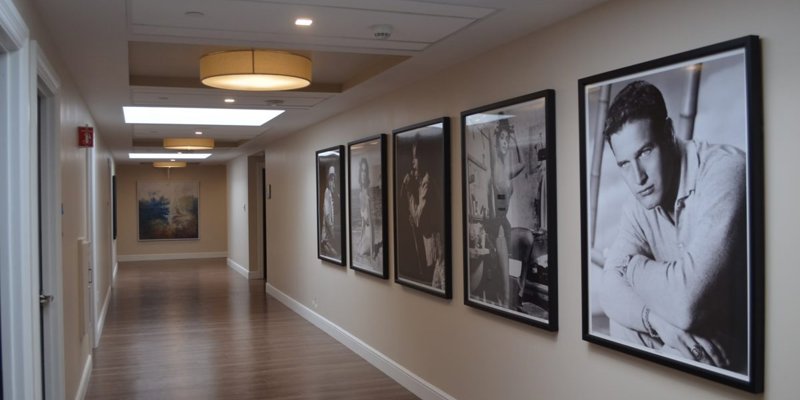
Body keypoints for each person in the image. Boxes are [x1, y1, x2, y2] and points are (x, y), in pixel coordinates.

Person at [597, 80, 747, 372]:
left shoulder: (723, 171)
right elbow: (608, 290)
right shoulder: (640, 203)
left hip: (740, 349)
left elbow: (685, 303)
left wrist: (632, 267)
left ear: (668, 134)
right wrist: (658, 322)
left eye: (644, 152)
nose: (637, 177)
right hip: (691, 338)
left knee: (681, 352)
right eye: (624, 163)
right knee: (625, 323)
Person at [488, 118, 526, 307]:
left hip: (505, 225)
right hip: (499, 226)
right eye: (501, 138)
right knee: (504, 285)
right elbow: (498, 186)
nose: (505, 142)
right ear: (496, 141)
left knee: (511, 277)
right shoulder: (496, 165)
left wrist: (515, 139)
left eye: (506, 139)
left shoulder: (505, 167)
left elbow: (523, 164)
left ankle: (514, 301)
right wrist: (496, 136)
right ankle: (505, 307)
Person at [400, 134, 445, 289]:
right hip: (437, 249)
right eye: (412, 158)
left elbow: (418, 218)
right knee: (437, 286)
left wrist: (409, 192)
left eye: (416, 158)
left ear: (423, 159)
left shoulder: (426, 182)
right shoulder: (422, 182)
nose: (412, 163)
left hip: (439, 247)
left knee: (440, 284)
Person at [356, 157, 376, 265]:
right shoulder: (360, 193)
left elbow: (370, 222)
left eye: (365, 171)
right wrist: (360, 237)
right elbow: (363, 221)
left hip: (370, 234)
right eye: (361, 171)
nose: (363, 174)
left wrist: (373, 250)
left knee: (361, 252)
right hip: (365, 232)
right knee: (359, 250)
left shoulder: (367, 193)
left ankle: (369, 247)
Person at [320, 165, 338, 257]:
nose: (333, 179)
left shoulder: (332, 192)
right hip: (327, 233)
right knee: (333, 254)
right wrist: (332, 231)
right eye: (331, 176)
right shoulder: (327, 192)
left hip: (328, 233)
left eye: (334, 176)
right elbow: (327, 214)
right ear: (328, 178)